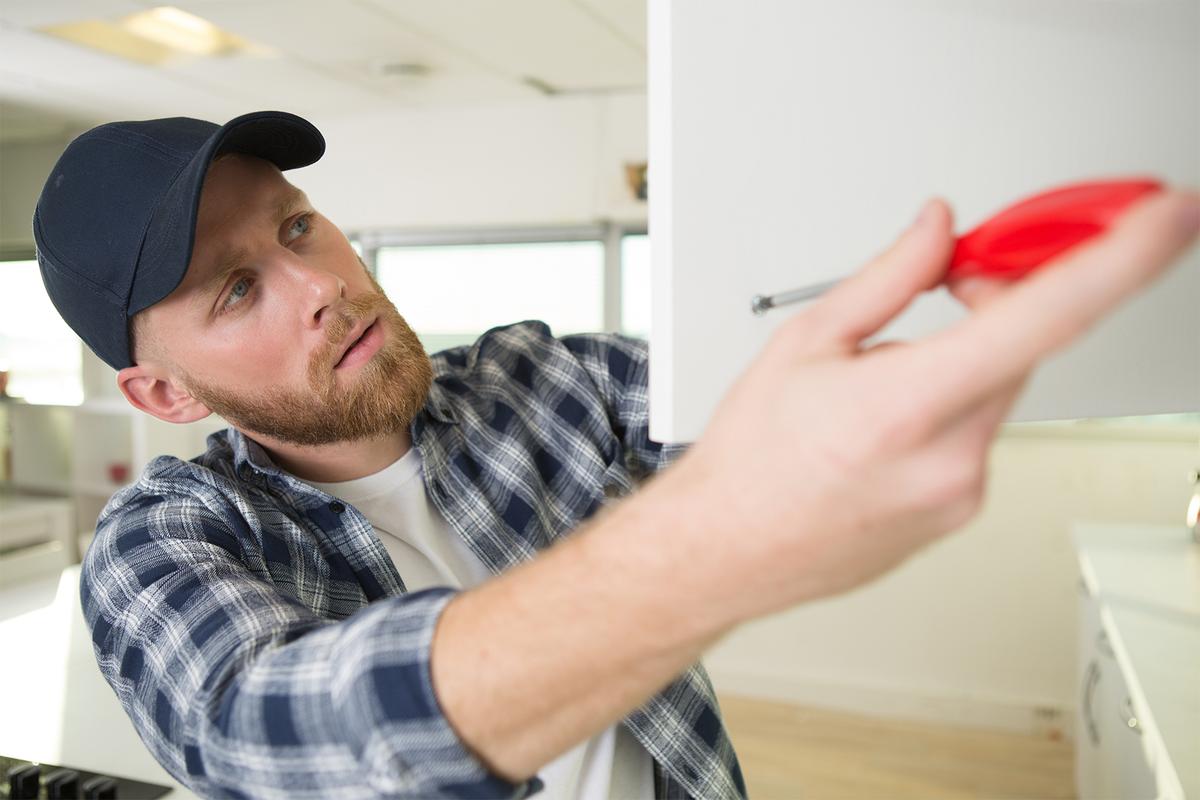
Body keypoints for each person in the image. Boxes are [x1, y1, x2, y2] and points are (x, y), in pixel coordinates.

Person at [34, 111, 1198, 800]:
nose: (324, 285)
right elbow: (279, 733)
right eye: (238, 288)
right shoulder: (163, 545)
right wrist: (719, 544)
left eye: (298, 226)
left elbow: (766, 395)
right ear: (165, 392)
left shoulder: (543, 380)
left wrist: (935, 310)